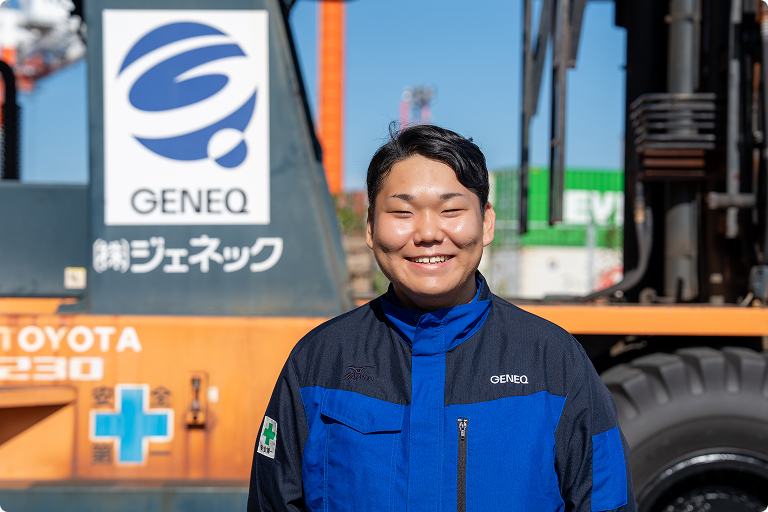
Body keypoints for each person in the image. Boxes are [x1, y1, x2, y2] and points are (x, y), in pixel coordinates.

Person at [248, 124, 636, 512]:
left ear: (486, 222)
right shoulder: (319, 361)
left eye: (450, 210)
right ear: (370, 226)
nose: (428, 233)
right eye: (402, 212)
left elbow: (607, 501)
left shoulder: (554, 362)